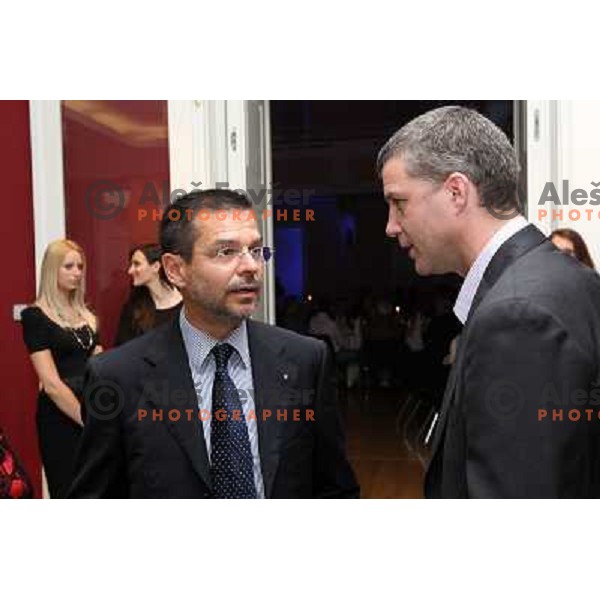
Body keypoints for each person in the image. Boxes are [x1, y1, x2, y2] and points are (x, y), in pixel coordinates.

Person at [68, 189, 359, 499]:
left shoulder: (305, 360)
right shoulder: (117, 377)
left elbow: (336, 490)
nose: (251, 266)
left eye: (255, 250)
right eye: (226, 252)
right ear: (176, 270)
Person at [377, 106, 600, 498]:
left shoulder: (517, 315)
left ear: (456, 192)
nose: (391, 226)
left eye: (400, 202)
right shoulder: (560, 279)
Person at [20, 240, 102, 498]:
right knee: (68, 490)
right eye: (69, 266)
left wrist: (102, 415)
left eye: (80, 266)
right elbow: (52, 385)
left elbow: (100, 365)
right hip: (59, 417)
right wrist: (86, 421)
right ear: (52, 270)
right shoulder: (35, 316)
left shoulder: (88, 315)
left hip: (93, 407)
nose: (77, 272)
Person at [114, 243, 182, 345]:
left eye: (136, 264)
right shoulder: (133, 307)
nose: (130, 271)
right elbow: (122, 349)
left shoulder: (188, 303)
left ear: (155, 267)